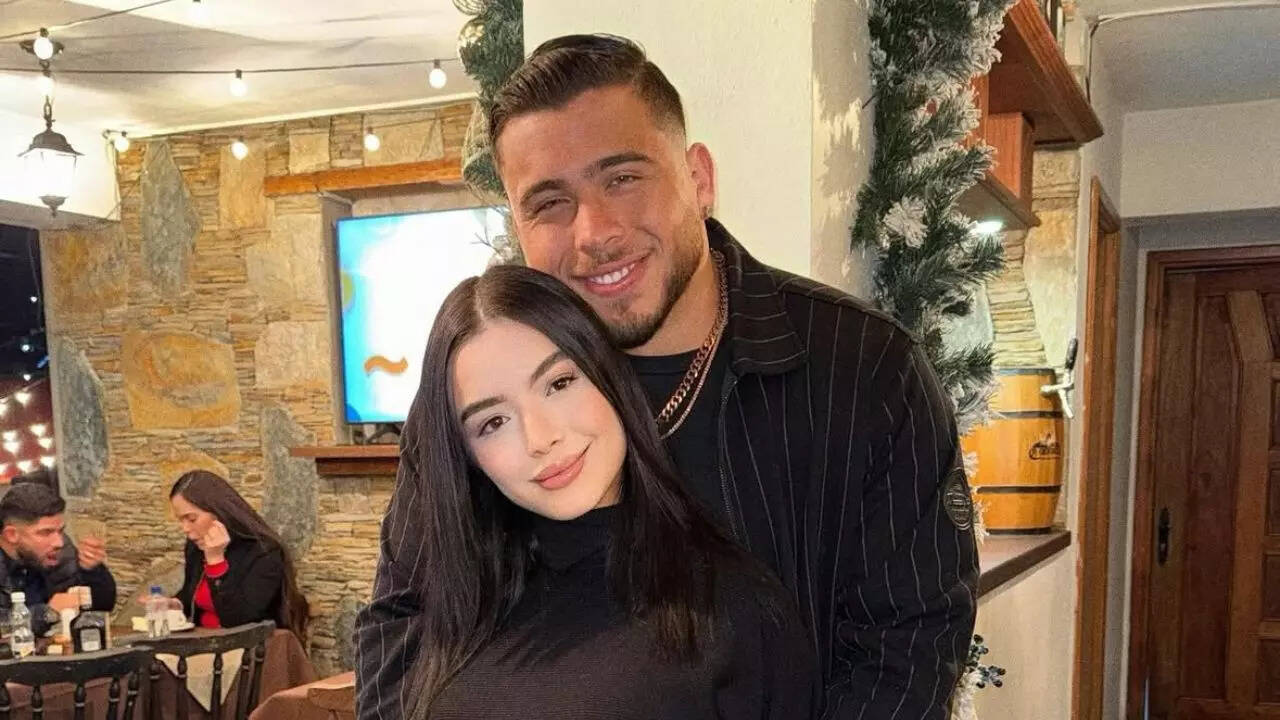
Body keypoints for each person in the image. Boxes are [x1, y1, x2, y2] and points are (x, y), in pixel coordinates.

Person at [358, 34, 978, 719]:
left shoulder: (864, 370)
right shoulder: (477, 385)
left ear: (699, 180)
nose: (594, 232)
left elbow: (906, 649)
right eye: (549, 203)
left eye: (623, 178)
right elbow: (402, 619)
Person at [398, 264, 815, 719]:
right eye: (493, 422)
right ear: (468, 457)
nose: (540, 437)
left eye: (559, 383)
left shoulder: (735, 613)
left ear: (609, 377)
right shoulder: (464, 606)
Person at [165, 470, 309, 641]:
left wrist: (216, 563)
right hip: (202, 642)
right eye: (180, 520)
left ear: (219, 512)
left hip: (250, 647)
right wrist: (176, 604)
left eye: (191, 519)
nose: (185, 529)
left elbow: (238, 619)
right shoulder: (195, 547)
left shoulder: (265, 551)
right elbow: (195, 594)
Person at [0, 483, 116, 636]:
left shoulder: (60, 549)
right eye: (45, 532)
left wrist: (92, 571)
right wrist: (47, 613)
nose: (58, 542)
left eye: (60, 531)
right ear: (11, 535)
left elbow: (101, 606)